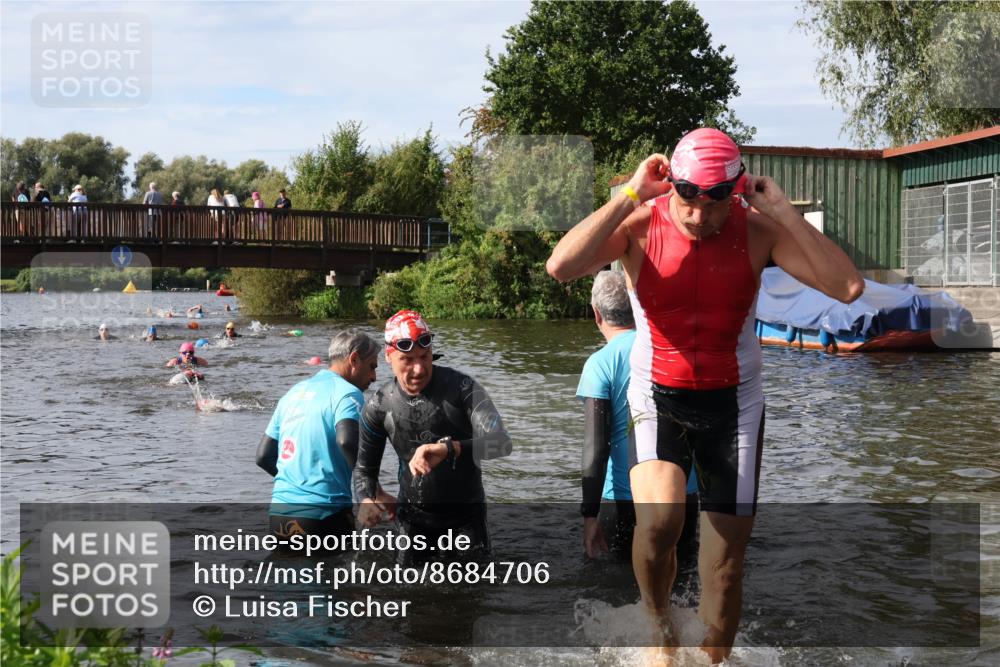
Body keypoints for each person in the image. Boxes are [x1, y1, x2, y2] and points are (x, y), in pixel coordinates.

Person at [546, 128, 864, 663]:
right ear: (672, 184)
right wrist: (629, 193)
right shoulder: (640, 225)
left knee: (726, 566)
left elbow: (847, 288)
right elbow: (561, 266)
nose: (697, 215)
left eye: (713, 203)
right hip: (656, 395)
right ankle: (660, 633)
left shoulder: (758, 231)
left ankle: (714, 661)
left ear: (735, 191)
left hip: (735, 404)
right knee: (659, 524)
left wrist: (784, 212)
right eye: (687, 198)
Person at [355, 310, 513, 563]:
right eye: (407, 360)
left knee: (477, 587)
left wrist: (450, 449)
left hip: (466, 518)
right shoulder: (379, 405)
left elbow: (502, 443)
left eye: (424, 356)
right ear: (388, 356)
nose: (418, 369)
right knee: (404, 585)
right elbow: (364, 471)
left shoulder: (462, 388)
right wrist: (366, 499)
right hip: (412, 519)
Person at [577, 270, 699, 561]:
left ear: (596, 314)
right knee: (679, 575)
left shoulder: (600, 364)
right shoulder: (673, 352)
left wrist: (589, 514)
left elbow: (596, 446)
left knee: (618, 581)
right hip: (682, 494)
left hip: (624, 499)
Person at [255, 330, 383, 542]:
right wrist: (373, 491)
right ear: (354, 359)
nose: (374, 377)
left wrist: (300, 484)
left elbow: (263, 456)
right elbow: (347, 441)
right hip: (324, 514)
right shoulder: (347, 392)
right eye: (372, 366)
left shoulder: (293, 393)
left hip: (279, 515)